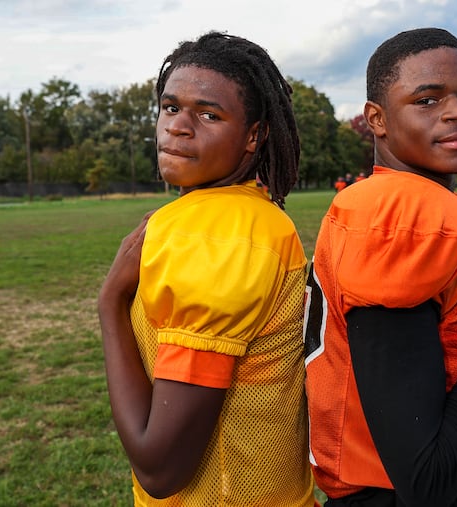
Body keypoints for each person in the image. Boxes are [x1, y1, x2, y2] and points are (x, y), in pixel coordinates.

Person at [303, 28, 457, 506]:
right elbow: (425, 479)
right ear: (378, 118)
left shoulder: (391, 202)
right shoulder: (406, 220)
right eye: (428, 100)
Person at [98, 32, 315, 506]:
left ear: (253, 136)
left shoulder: (213, 232)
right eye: (171, 107)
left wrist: (110, 306)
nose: (178, 126)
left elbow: (160, 468)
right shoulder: (251, 214)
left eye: (208, 114)